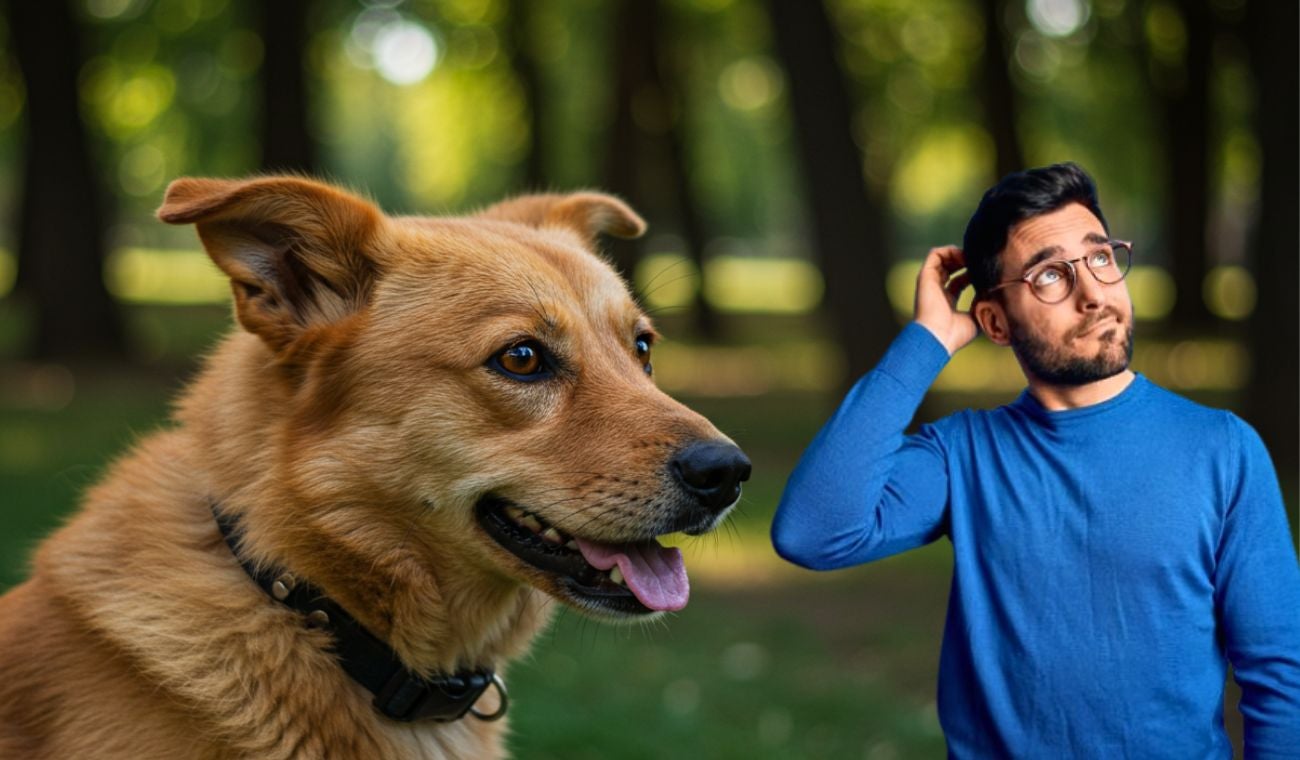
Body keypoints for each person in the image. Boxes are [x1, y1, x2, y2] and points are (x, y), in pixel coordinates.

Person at [771, 162, 1300, 758]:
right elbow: (811, 532)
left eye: (1101, 257)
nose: (1093, 293)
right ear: (995, 321)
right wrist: (926, 341)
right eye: (1050, 275)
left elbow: (1280, 675)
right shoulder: (963, 456)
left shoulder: (1223, 449)